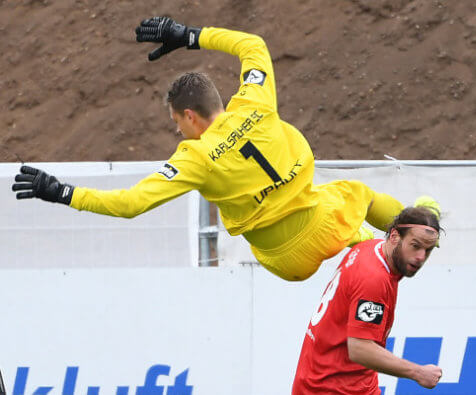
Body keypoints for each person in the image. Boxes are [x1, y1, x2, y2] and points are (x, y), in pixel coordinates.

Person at [11, 16, 440, 281]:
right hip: (324, 222)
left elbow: (129, 204)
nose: (179, 133)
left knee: (338, 210)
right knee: (357, 194)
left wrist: (62, 193)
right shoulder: (254, 100)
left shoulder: (195, 158)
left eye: (177, 123)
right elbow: (252, 45)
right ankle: (412, 230)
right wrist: (189, 35)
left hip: (282, 260)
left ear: (190, 116)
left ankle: (375, 244)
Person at [292, 206, 443, 394]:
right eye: (415, 246)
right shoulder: (374, 279)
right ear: (395, 236)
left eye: (427, 250)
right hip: (331, 388)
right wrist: (418, 372)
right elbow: (360, 348)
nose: (421, 257)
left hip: (351, 383)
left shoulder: (371, 248)